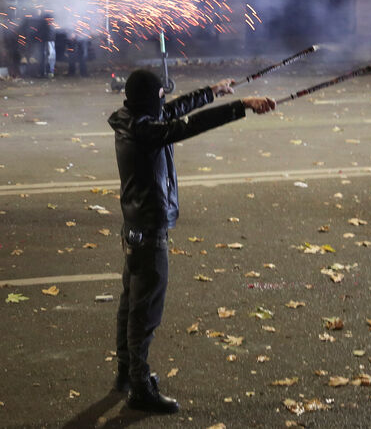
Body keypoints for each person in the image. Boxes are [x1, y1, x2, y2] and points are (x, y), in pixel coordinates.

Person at [107, 69, 276, 414]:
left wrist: (213, 91)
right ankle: (140, 387)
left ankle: (126, 373)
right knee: (144, 313)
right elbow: (185, 125)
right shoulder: (146, 130)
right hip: (149, 232)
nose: (165, 101)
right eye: (160, 96)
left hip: (136, 229)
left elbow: (174, 110)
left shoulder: (132, 119)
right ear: (151, 99)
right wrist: (240, 105)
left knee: (132, 305)